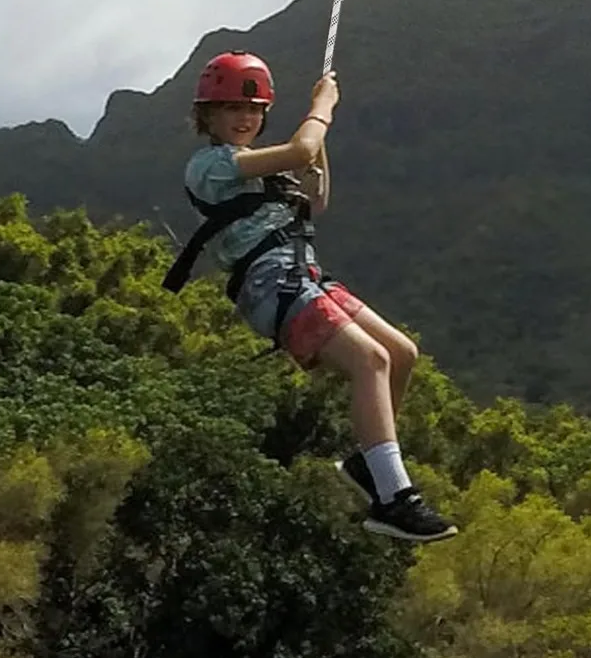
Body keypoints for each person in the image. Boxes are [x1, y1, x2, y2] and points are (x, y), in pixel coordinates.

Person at [171, 49, 458, 544]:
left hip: (304, 274)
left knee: (401, 354)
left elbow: (315, 196)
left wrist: (317, 134)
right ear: (208, 116)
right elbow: (301, 151)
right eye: (231, 110)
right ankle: (395, 498)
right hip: (269, 285)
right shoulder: (211, 167)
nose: (244, 119)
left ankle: (369, 466)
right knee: (369, 360)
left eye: (254, 110)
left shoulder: (259, 168)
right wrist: (321, 109)